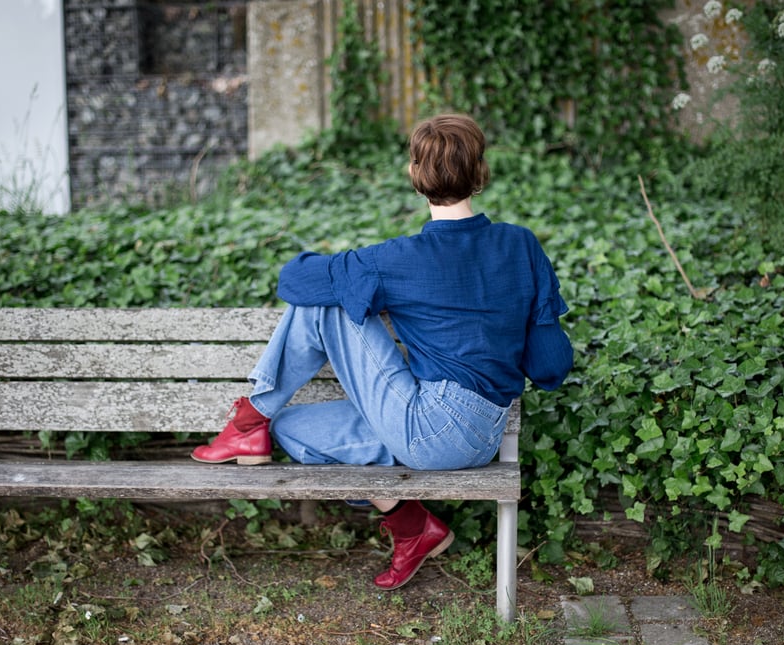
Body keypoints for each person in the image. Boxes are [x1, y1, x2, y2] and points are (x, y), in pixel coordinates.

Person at [191, 113, 573, 590]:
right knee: (294, 431)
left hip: (431, 427)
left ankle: (248, 418)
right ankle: (415, 530)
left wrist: (348, 273)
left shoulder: (401, 259)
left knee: (326, 304)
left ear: (415, 176)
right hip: (483, 435)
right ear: (480, 173)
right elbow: (551, 366)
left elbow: (293, 280)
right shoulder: (520, 245)